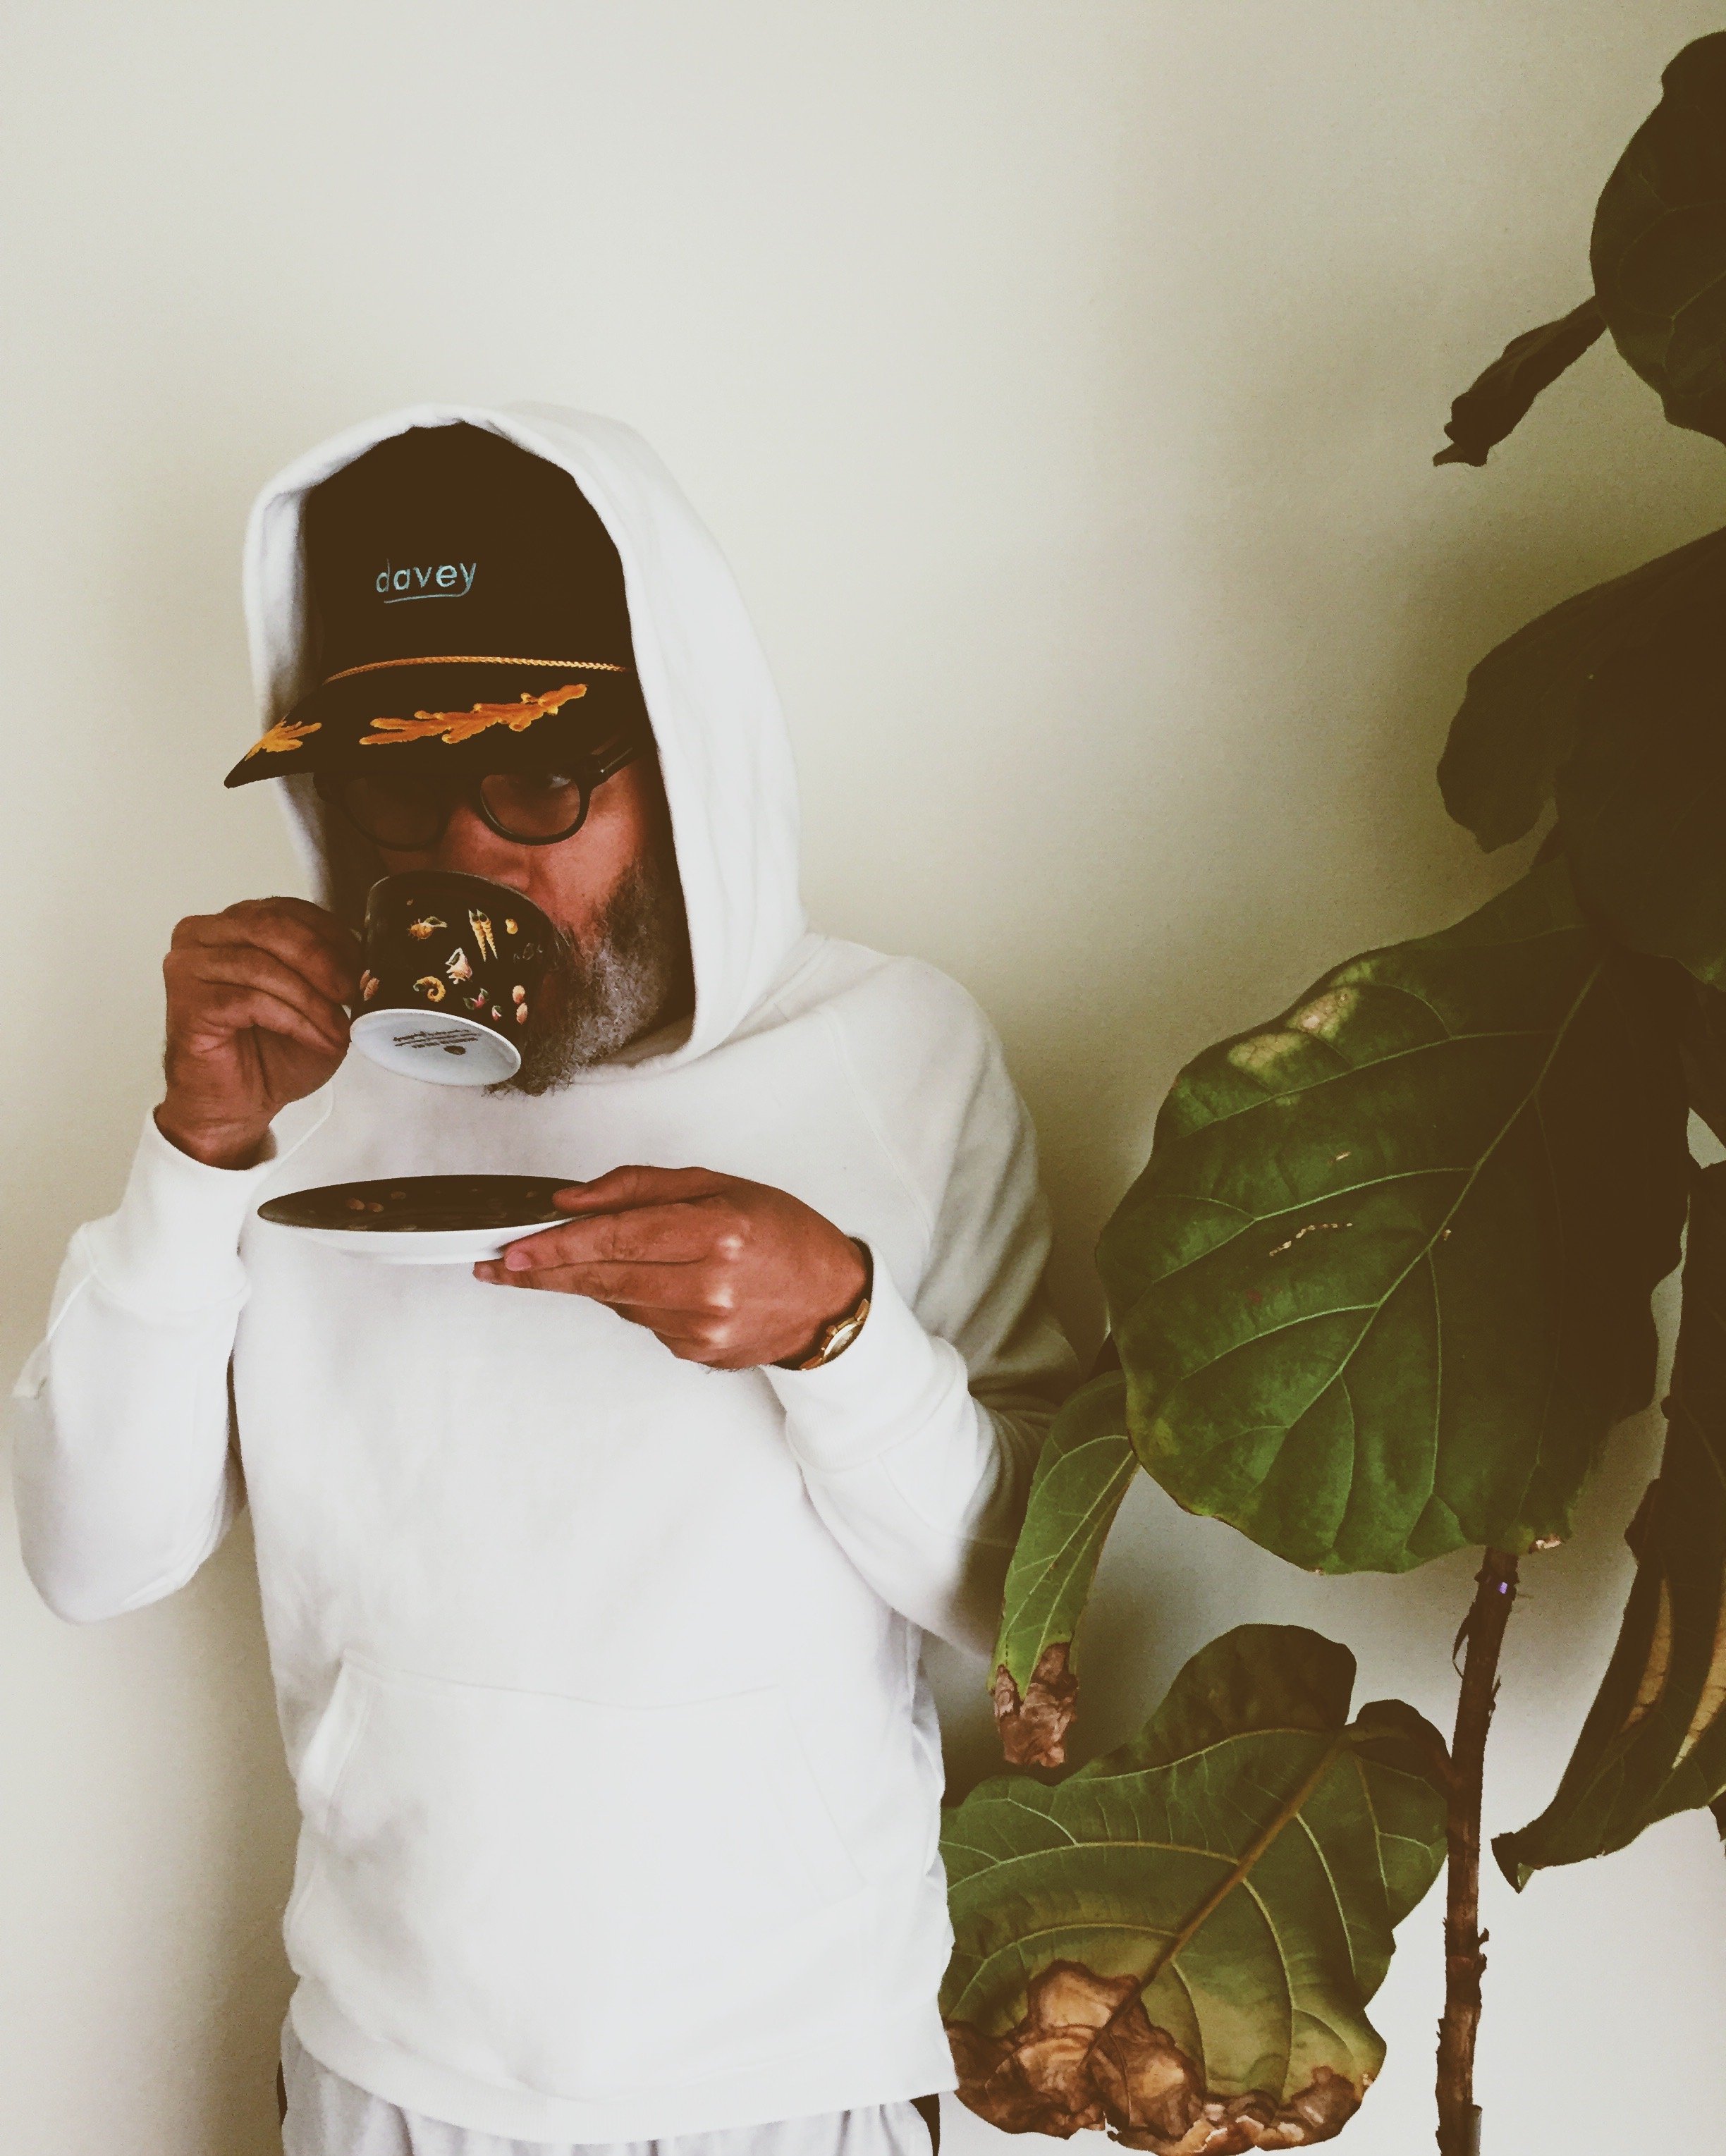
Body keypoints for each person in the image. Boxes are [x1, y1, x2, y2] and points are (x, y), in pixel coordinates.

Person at [11, 409, 1077, 2156]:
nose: (465, 853)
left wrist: (837, 1331)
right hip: (391, 2072)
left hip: (794, 2075)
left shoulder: (899, 1054)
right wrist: (197, 1153)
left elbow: (1028, 1595)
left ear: (685, 756)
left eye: (534, 777)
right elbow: (90, 1553)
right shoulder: (296, 1082)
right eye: (395, 786)